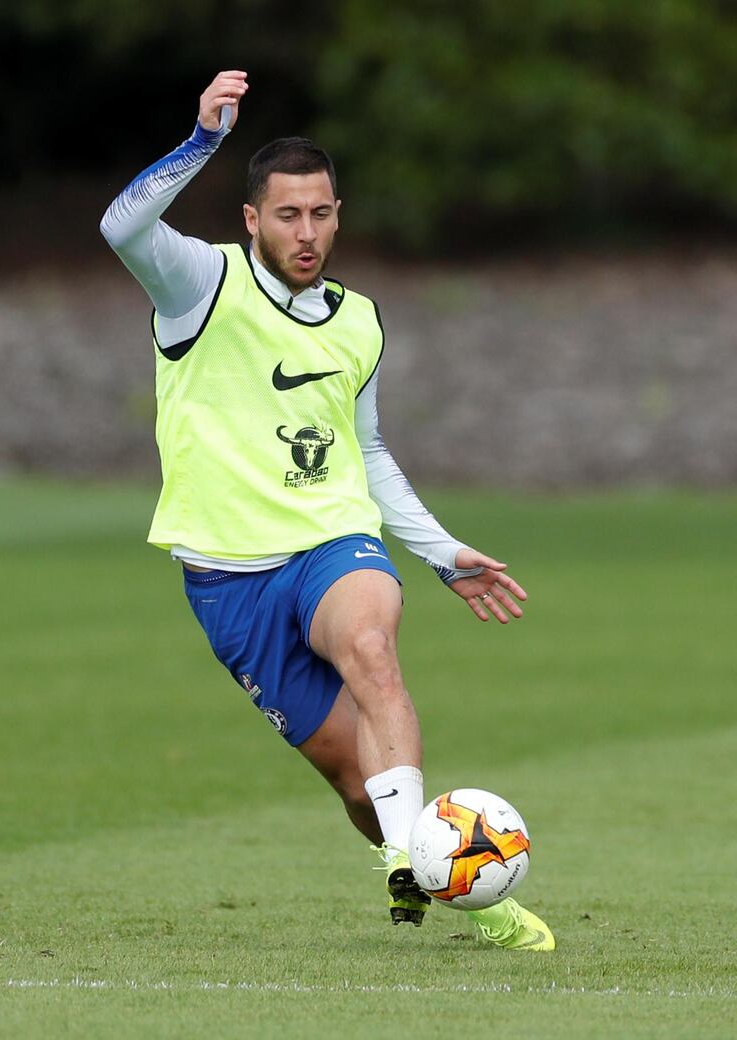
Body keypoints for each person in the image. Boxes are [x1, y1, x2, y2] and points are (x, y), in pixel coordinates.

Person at [100, 70, 554, 951]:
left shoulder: (359, 322)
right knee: (357, 783)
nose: (306, 234)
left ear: (338, 214)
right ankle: (418, 856)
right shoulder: (196, 284)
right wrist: (201, 144)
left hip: (331, 540)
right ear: (251, 220)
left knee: (371, 647)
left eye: (321, 214)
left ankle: (442, 878)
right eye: (286, 215)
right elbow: (122, 225)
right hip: (228, 580)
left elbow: (368, 449)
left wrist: (436, 548)